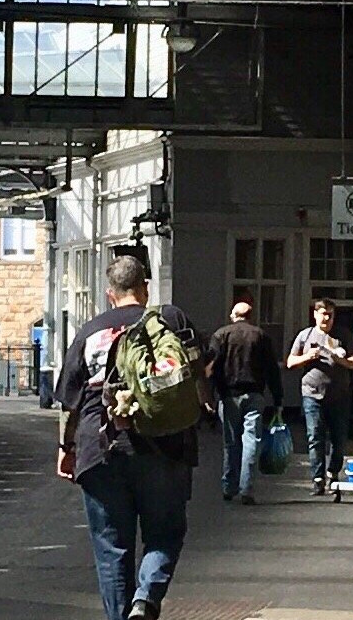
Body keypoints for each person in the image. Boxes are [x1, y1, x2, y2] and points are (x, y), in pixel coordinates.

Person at [53, 255, 204, 620]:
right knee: (165, 534)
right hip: (165, 447)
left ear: (110, 294)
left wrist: (65, 449)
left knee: (112, 548)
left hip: (99, 449)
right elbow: (198, 374)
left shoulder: (89, 332)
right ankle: (146, 600)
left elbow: (69, 403)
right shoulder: (170, 321)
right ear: (145, 288)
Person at [208, 301, 283, 505]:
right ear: (251, 315)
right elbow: (272, 369)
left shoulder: (221, 335)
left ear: (234, 315)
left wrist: (210, 395)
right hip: (255, 394)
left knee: (231, 443)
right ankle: (247, 488)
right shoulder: (261, 336)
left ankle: (228, 486)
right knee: (252, 441)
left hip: (229, 395)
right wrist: (278, 397)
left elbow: (211, 366)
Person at [286, 298, 353, 496]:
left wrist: (340, 359)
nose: (326, 318)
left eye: (330, 314)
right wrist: (308, 357)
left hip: (339, 395)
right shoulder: (306, 335)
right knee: (315, 435)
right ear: (315, 315)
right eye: (323, 314)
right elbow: (290, 362)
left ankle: (333, 472)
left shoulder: (343, 335)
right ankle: (317, 478)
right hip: (312, 393)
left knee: (339, 438)